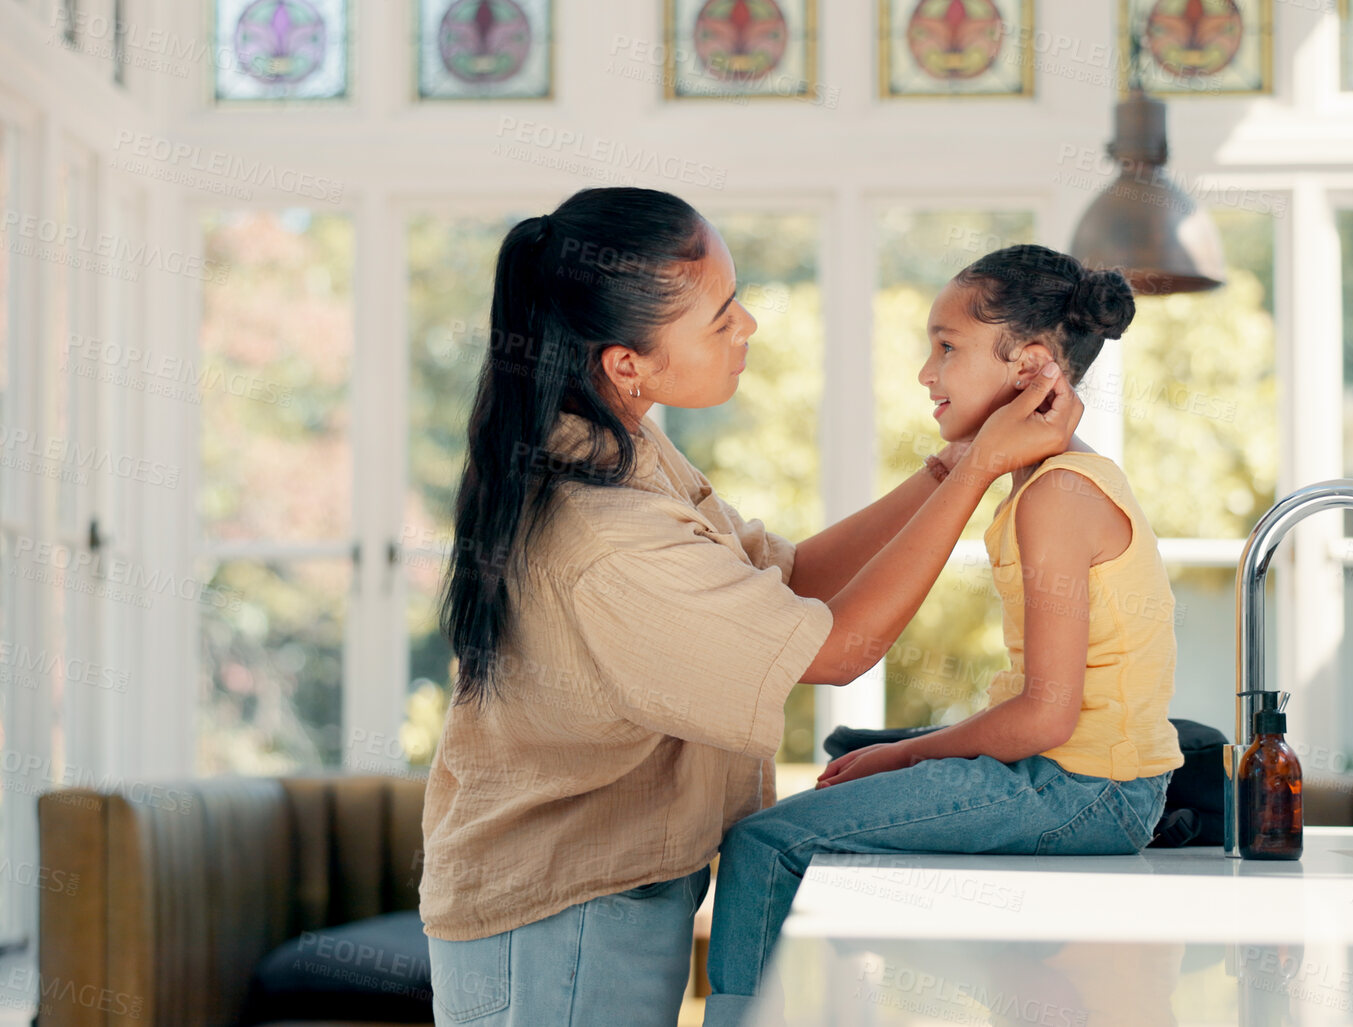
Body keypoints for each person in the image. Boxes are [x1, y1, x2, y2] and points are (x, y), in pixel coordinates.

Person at [419, 190, 1084, 1026]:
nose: (749, 328)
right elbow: (836, 649)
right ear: (628, 362)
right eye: (721, 315)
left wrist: (947, 468)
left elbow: (793, 575)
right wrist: (984, 467)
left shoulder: (622, 445)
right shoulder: (605, 534)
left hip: (600, 896)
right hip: (558, 916)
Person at [701, 244, 1185, 1025]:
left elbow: (1046, 717)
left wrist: (898, 753)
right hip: (1084, 782)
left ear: (1028, 365)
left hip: (1082, 791)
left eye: (946, 346)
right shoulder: (1051, 482)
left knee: (765, 846)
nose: (926, 373)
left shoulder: (1056, 495)